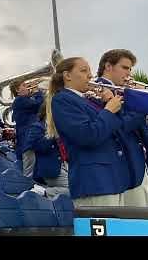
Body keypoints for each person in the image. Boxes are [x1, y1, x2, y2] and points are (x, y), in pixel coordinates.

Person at [46, 57, 129, 207]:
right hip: (94, 182)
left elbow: (118, 128)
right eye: (84, 71)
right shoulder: (62, 100)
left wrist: (108, 104)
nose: (90, 76)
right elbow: (87, 136)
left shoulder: (86, 100)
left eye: (90, 71)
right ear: (67, 76)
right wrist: (108, 110)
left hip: (112, 179)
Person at [95, 49, 148, 207]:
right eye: (125, 68)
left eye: (130, 69)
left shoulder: (123, 91)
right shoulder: (99, 90)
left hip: (140, 166)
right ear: (108, 66)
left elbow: (143, 134)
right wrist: (143, 106)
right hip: (126, 168)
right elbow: (120, 126)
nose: (129, 74)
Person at [24, 102, 69, 198]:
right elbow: (38, 147)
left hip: (64, 165)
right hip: (51, 168)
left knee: (82, 185)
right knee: (74, 189)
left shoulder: (59, 126)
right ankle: (44, 192)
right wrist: (52, 133)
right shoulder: (37, 127)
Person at [10, 79, 44, 176]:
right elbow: (38, 104)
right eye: (24, 85)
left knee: (32, 166)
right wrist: (37, 92)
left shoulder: (25, 100)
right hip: (26, 138)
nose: (28, 87)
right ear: (17, 90)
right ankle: (28, 188)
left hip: (29, 138)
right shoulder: (20, 100)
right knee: (29, 169)